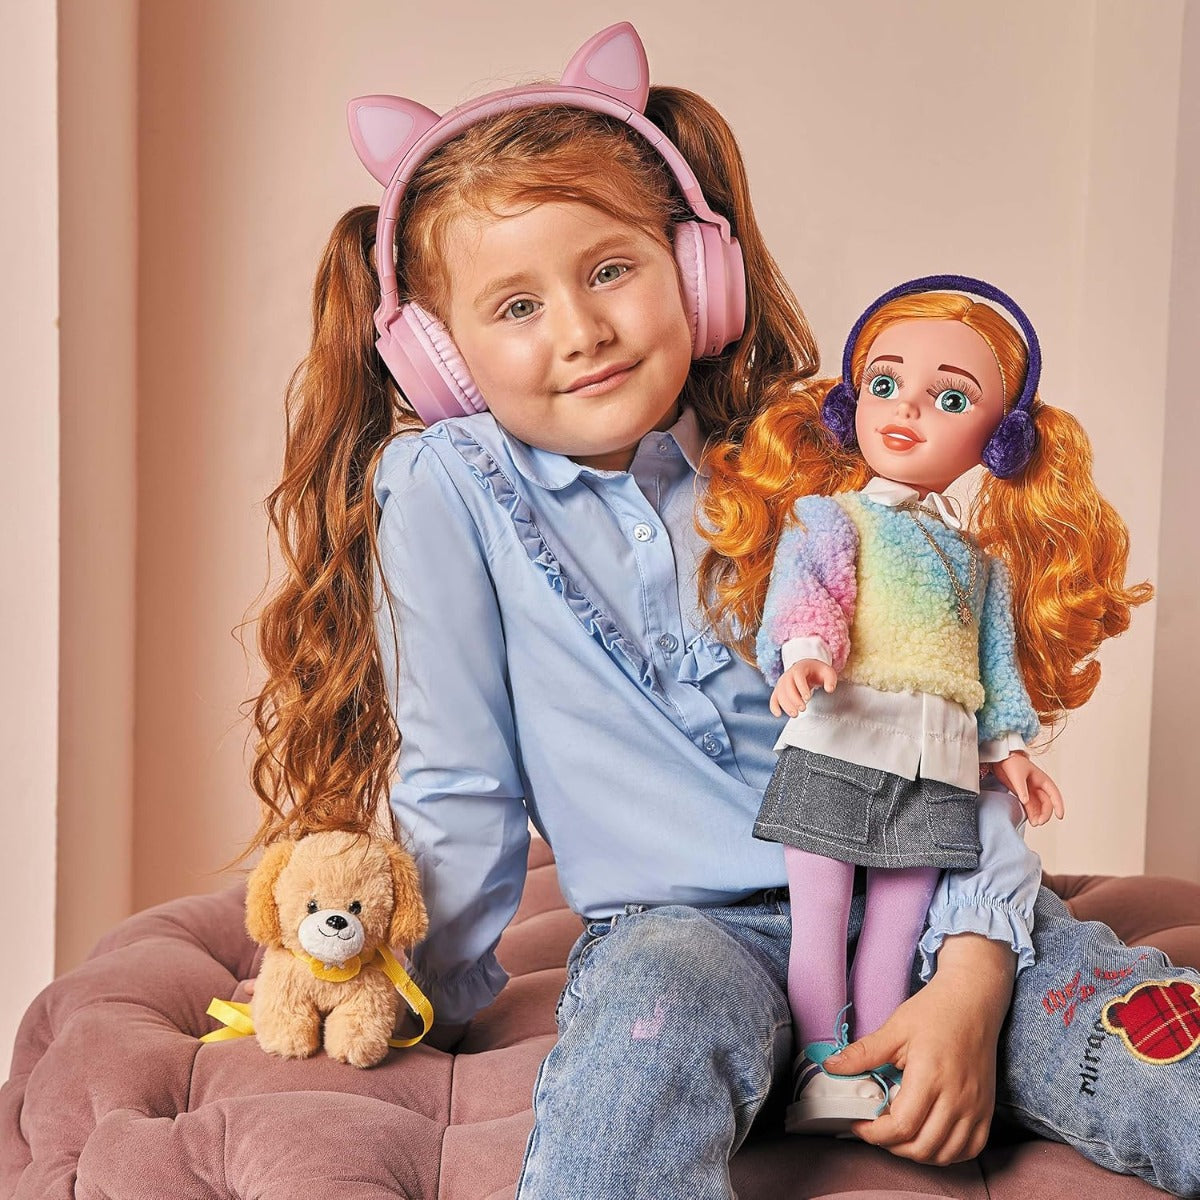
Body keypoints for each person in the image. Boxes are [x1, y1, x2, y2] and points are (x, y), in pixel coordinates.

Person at [246, 22, 1200, 1199]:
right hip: (682, 934)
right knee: (629, 1093)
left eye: (611, 271)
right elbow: (459, 777)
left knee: (1158, 1060)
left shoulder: (813, 465)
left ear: (700, 273)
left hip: (927, 893)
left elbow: (945, 730)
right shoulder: (449, 488)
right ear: (438, 357)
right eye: (516, 306)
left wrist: (973, 974)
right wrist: (413, 988)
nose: (581, 331)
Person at [728, 276, 1147, 1132]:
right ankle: (822, 1066)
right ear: (850, 404)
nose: (908, 408)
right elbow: (804, 598)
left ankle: (880, 1061)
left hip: (939, 766)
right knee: (820, 917)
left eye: (950, 398)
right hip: (839, 744)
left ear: (1002, 440)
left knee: (899, 920)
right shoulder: (830, 518)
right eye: (885, 384)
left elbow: (994, 672)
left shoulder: (979, 565)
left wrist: (1012, 752)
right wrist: (805, 656)